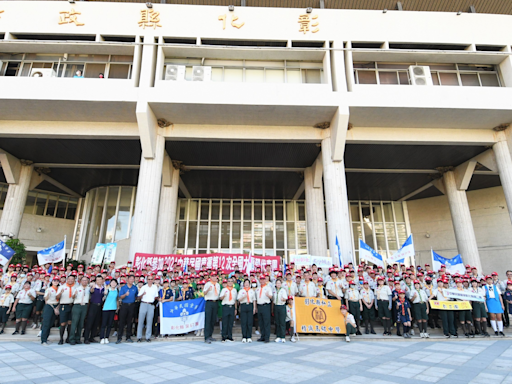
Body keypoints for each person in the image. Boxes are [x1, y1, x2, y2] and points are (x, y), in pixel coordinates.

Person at [136, 275, 159, 342]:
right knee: (141, 321)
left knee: (149, 321)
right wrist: (143, 294)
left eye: (151, 279)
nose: (150, 280)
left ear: (153, 280)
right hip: (143, 304)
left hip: (150, 305)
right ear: (147, 280)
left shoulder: (155, 287)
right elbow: (138, 297)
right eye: (149, 279)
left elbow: (156, 296)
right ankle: (139, 337)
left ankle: (147, 337)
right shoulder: (143, 287)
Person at [117, 275, 138, 344]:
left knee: (130, 322)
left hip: (132, 306)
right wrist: (125, 294)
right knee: (122, 322)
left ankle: (128, 337)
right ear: (127, 279)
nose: (132, 280)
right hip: (124, 306)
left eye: (133, 279)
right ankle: (119, 337)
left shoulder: (135, 288)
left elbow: (136, 297)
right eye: (130, 279)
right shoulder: (123, 288)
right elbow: (120, 297)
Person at [84, 275, 105, 344]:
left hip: (99, 307)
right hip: (93, 306)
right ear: (96, 281)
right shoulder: (93, 287)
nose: (99, 281)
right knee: (90, 322)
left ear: (102, 281)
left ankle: (92, 337)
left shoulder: (103, 288)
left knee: (96, 322)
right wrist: (92, 288)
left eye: (100, 280)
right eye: (98, 280)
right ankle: (86, 338)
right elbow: (91, 291)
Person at [69, 276, 90, 345]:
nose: (84, 282)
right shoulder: (77, 288)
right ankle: (72, 338)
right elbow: (72, 297)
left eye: (86, 280)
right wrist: (74, 295)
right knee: (75, 322)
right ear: (80, 281)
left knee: (81, 323)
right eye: (83, 280)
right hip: (77, 306)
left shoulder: (89, 289)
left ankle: (78, 338)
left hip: (84, 306)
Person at [56, 275, 76, 344]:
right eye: (69, 279)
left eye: (72, 279)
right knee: (63, 323)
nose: (70, 280)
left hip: (72, 305)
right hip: (64, 305)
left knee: (70, 322)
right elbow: (57, 297)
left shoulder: (75, 287)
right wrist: (60, 292)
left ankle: (68, 338)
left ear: (74, 280)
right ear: (67, 280)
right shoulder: (62, 287)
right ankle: (61, 338)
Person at [41, 277, 60, 345]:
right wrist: (48, 294)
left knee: (51, 323)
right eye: (54, 280)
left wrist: (57, 308)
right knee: (46, 323)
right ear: (52, 282)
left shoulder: (59, 289)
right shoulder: (49, 289)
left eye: (57, 281)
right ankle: (43, 340)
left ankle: (46, 337)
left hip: (56, 306)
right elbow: (45, 298)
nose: (56, 282)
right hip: (49, 305)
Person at [100, 278, 119, 344]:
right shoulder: (107, 290)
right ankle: (102, 337)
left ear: (116, 284)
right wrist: (104, 294)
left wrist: (117, 307)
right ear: (110, 283)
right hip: (106, 308)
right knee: (104, 324)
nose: (113, 284)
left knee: (110, 324)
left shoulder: (117, 290)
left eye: (115, 283)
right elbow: (103, 298)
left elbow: (117, 299)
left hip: (113, 308)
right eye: (112, 282)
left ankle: (107, 337)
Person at [203, 272, 220, 344]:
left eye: (215, 276)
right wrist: (208, 290)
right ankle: (206, 337)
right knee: (208, 320)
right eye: (212, 276)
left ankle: (210, 335)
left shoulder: (218, 285)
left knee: (213, 320)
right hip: (209, 302)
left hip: (215, 302)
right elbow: (204, 293)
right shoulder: (208, 284)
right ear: (210, 277)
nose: (214, 277)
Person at [238, 278, 256, 343]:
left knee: (249, 322)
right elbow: (239, 299)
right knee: (244, 322)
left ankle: (249, 336)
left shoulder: (252, 291)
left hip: (250, 305)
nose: (246, 284)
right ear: (244, 284)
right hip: (243, 305)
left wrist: (254, 308)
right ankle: (244, 336)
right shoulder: (241, 291)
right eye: (245, 283)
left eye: (248, 283)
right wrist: (243, 296)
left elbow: (254, 300)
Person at [220, 277, 237, 342]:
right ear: (227, 282)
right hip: (225, 306)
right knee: (225, 322)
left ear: (233, 283)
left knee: (230, 322)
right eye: (229, 281)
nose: (230, 282)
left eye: (231, 281)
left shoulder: (234, 290)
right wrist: (223, 296)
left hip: (232, 307)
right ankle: (224, 336)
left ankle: (230, 336)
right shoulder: (224, 289)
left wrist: (235, 309)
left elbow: (235, 300)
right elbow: (220, 298)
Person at [256, 274, 273, 343]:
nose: (262, 281)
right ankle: (262, 336)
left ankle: (267, 337)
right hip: (259, 306)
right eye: (261, 279)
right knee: (261, 322)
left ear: (265, 280)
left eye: (263, 279)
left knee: (266, 322)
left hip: (266, 305)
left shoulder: (268, 287)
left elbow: (271, 297)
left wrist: (268, 295)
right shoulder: (258, 288)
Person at [273, 278, 288, 343]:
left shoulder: (283, 290)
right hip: (276, 306)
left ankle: (283, 336)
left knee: (282, 322)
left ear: (281, 284)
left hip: (282, 306)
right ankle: (278, 336)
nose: (278, 284)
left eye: (279, 283)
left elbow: (285, 298)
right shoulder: (274, 290)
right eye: (277, 283)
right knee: (277, 322)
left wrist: (283, 299)